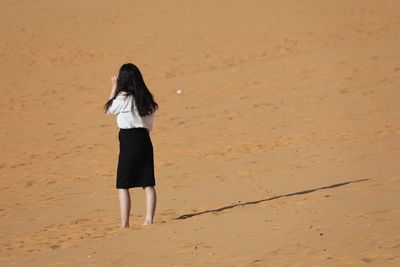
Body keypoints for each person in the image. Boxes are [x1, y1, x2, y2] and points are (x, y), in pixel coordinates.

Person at [104, 63, 159, 228]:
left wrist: (113, 87)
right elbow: (150, 122)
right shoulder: (146, 98)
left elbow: (109, 109)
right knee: (147, 182)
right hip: (144, 138)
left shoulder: (122, 97)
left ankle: (124, 223)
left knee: (123, 184)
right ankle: (148, 220)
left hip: (128, 139)